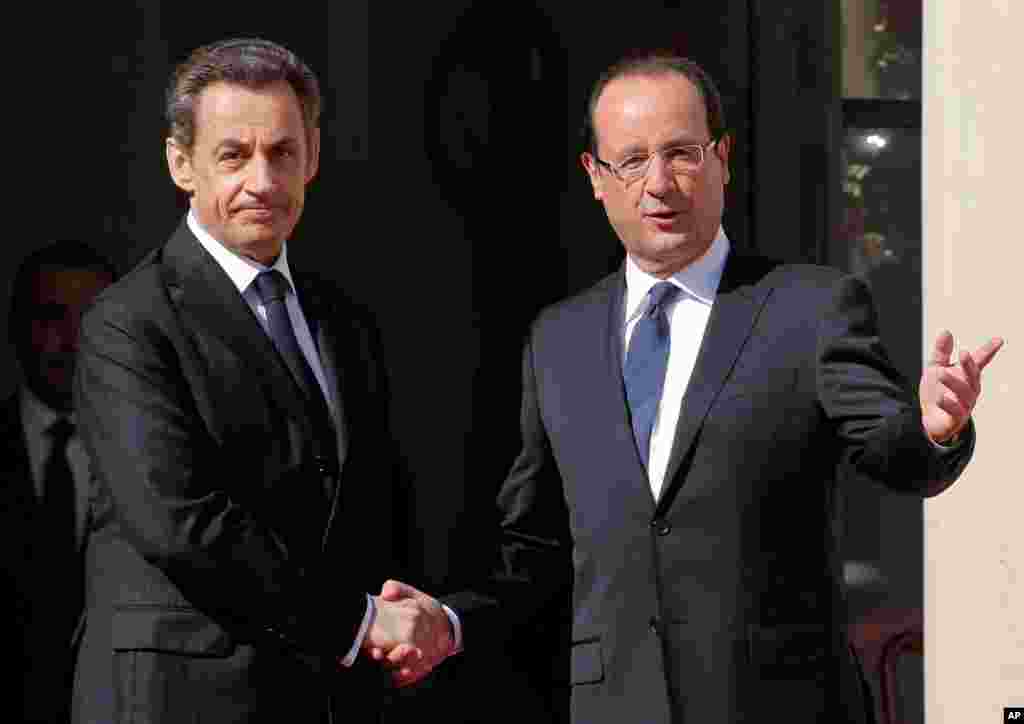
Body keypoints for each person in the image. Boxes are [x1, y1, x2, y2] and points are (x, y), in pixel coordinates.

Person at [380, 54, 1004, 723]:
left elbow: (891, 450)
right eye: (632, 159)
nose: (659, 183)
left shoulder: (810, 307)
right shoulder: (556, 341)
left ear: (722, 159)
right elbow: (534, 547)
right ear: (596, 177)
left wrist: (936, 427)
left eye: (682, 152)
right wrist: (449, 618)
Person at [71, 38, 452, 724]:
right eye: (233, 155)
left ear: (312, 157)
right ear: (180, 163)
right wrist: (362, 622)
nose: (263, 180)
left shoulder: (346, 322)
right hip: (182, 701)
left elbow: (375, 508)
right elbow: (183, 524)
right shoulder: (126, 324)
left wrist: (407, 626)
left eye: (282, 152)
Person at [1, 242, 115, 723]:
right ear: (16, 328)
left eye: (88, 321)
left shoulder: (157, 457)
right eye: (51, 317)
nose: (70, 341)